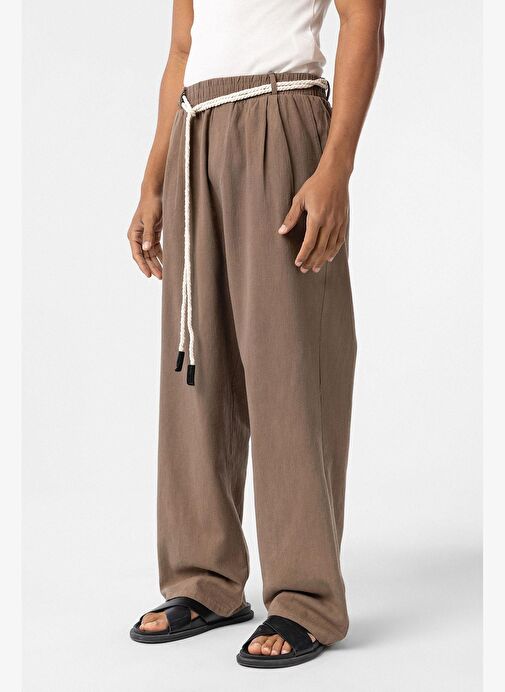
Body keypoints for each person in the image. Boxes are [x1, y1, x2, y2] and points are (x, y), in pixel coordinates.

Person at [128, 0, 385, 669]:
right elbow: (183, 46)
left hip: (282, 113)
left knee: (288, 360)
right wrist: (153, 180)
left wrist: (336, 167)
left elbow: (362, 22)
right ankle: (204, 580)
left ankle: (306, 597)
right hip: (195, 131)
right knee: (195, 363)